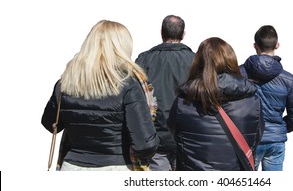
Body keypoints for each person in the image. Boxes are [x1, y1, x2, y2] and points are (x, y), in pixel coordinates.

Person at [41, 20, 159, 171]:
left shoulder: (65, 83)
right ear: (122, 47)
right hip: (116, 166)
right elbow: (144, 144)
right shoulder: (128, 85)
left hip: (72, 166)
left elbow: (50, 124)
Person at [167, 37, 264, 171]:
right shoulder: (252, 101)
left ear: (198, 63)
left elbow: (174, 132)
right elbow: (257, 136)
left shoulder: (184, 100)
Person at [240, 25, 293, 171]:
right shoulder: (288, 79)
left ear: (255, 46)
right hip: (275, 140)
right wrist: (280, 128)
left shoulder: (238, 74)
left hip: (247, 138)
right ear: (277, 45)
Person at [135, 15, 195, 171]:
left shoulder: (144, 59)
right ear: (183, 34)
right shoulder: (196, 61)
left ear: (161, 32)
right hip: (186, 135)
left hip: (155, 136)